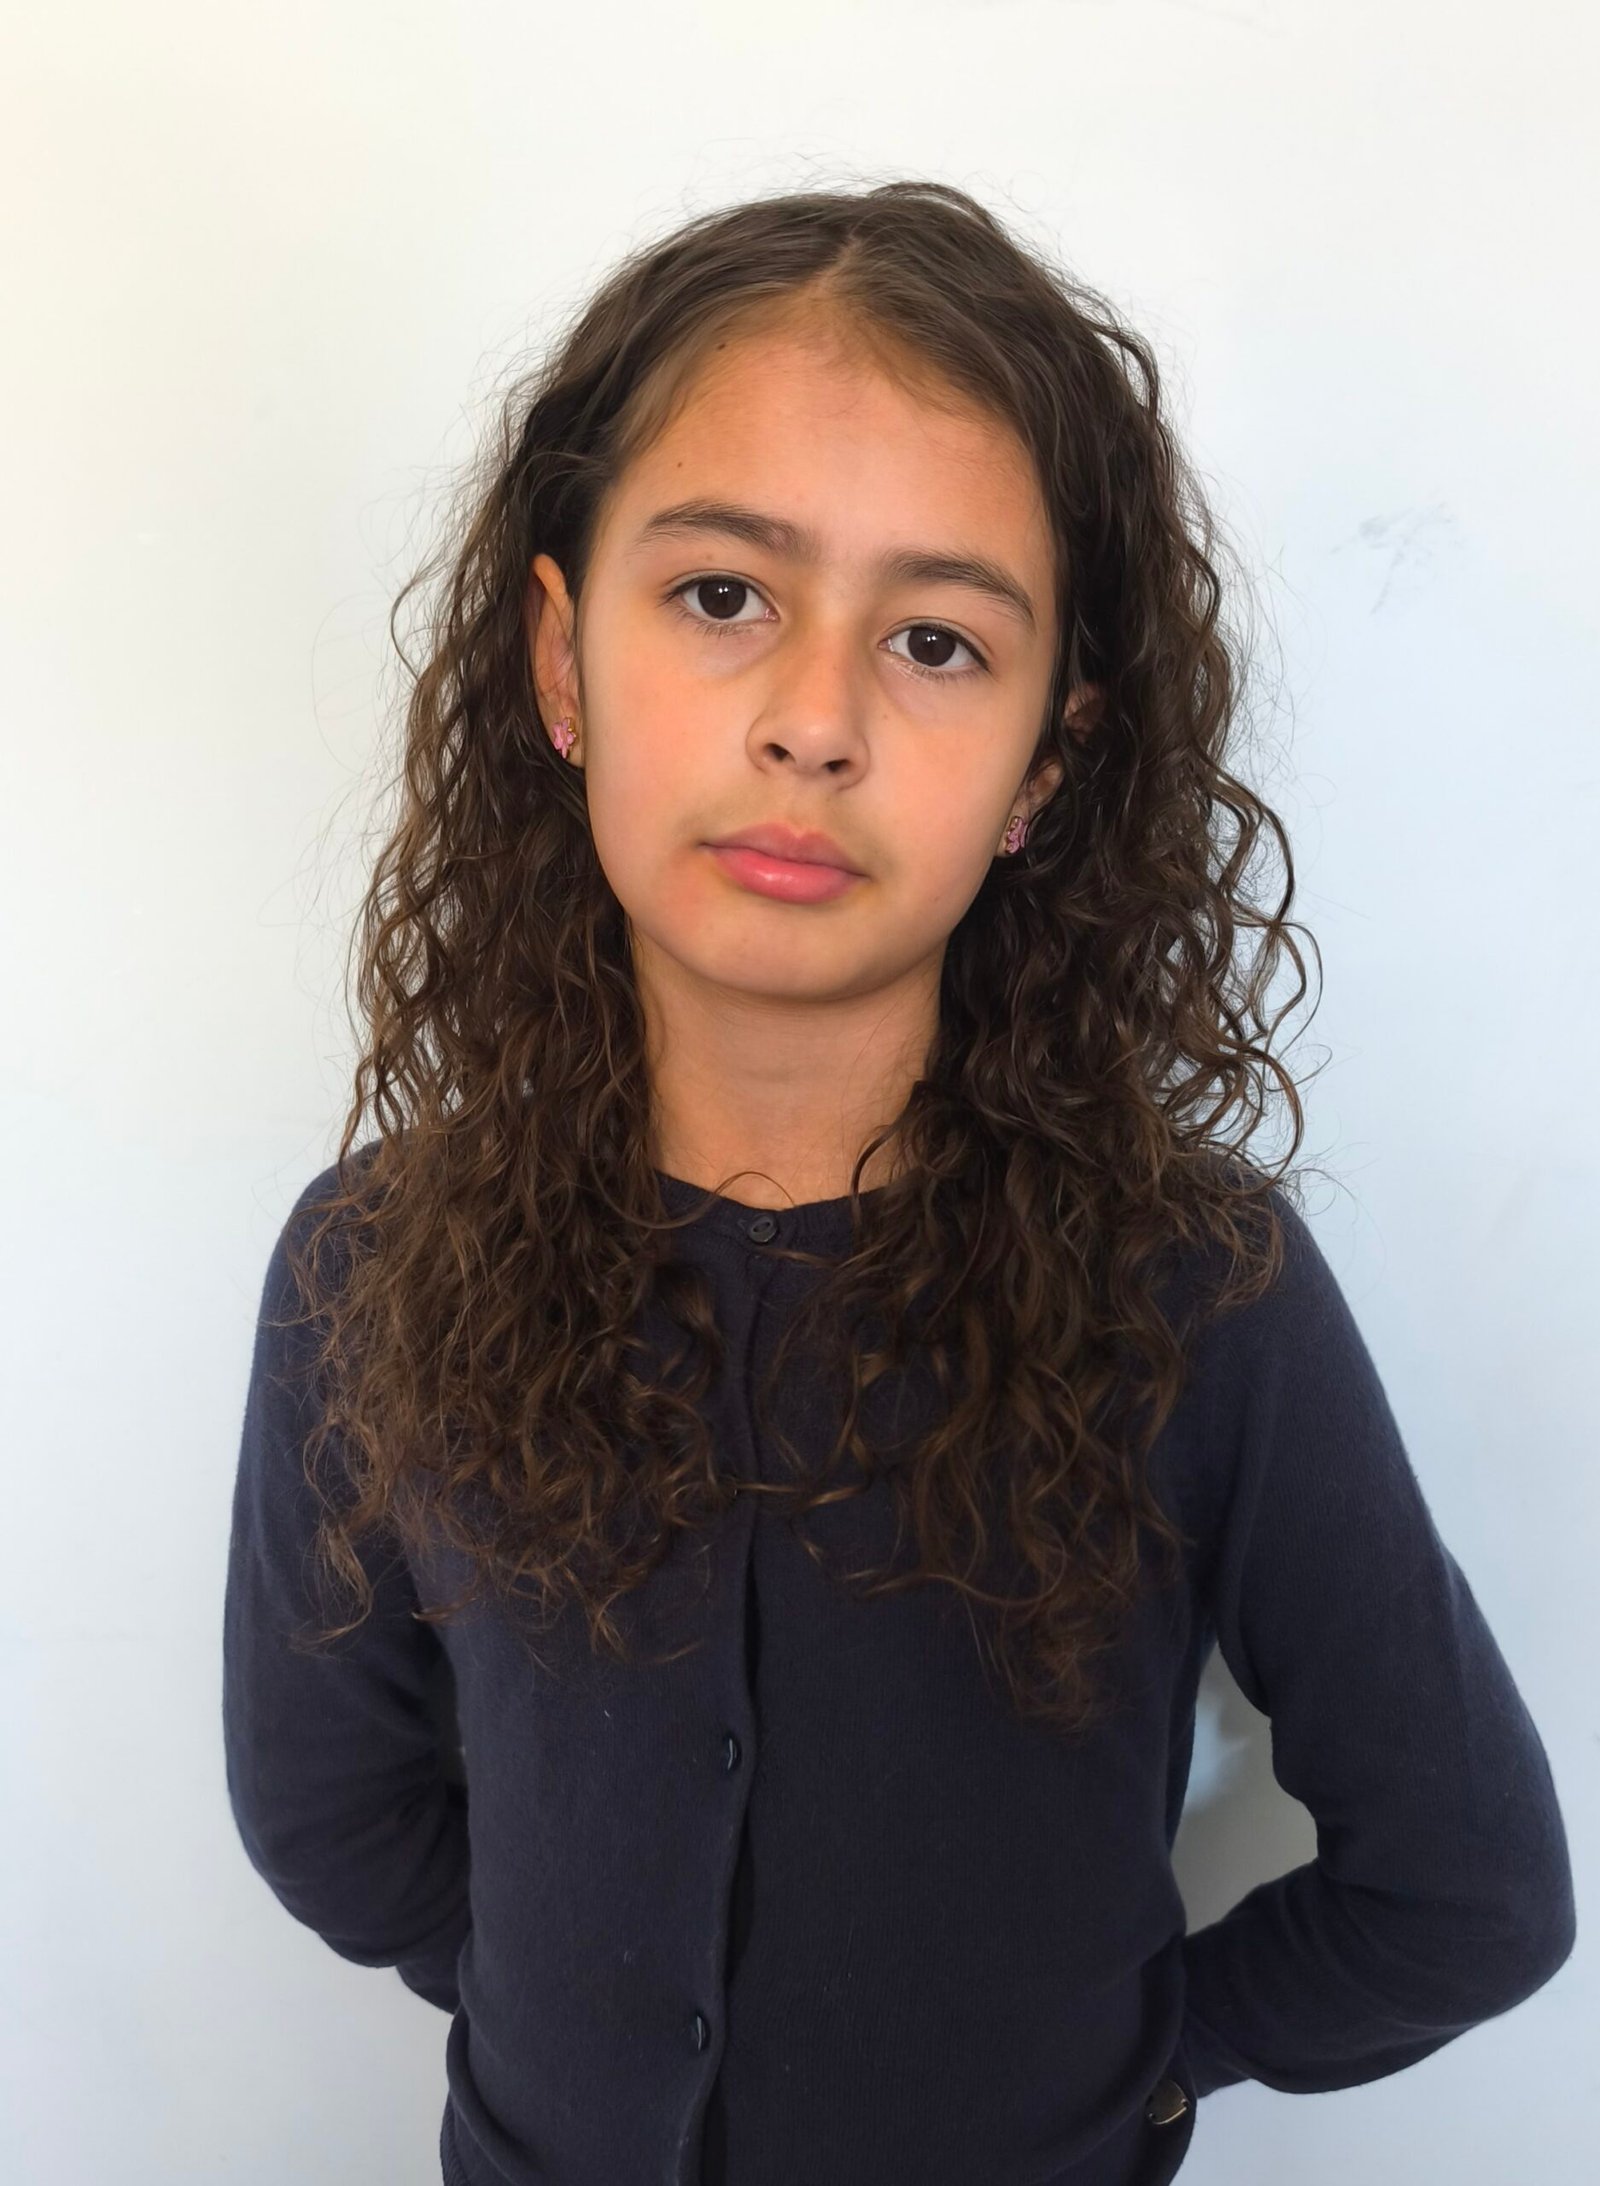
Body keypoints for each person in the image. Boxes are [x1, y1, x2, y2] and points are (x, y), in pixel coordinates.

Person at [221, 180, 1575, 2186]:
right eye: (721, 596)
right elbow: (329, 1813)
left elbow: (1467, 1886)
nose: (813, 721)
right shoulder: (373, 1263)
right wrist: (553, 1999)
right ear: (562, 658)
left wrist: (1136, 2065)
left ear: (1048, 761)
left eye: (936, 640)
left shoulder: (1195, 1292)